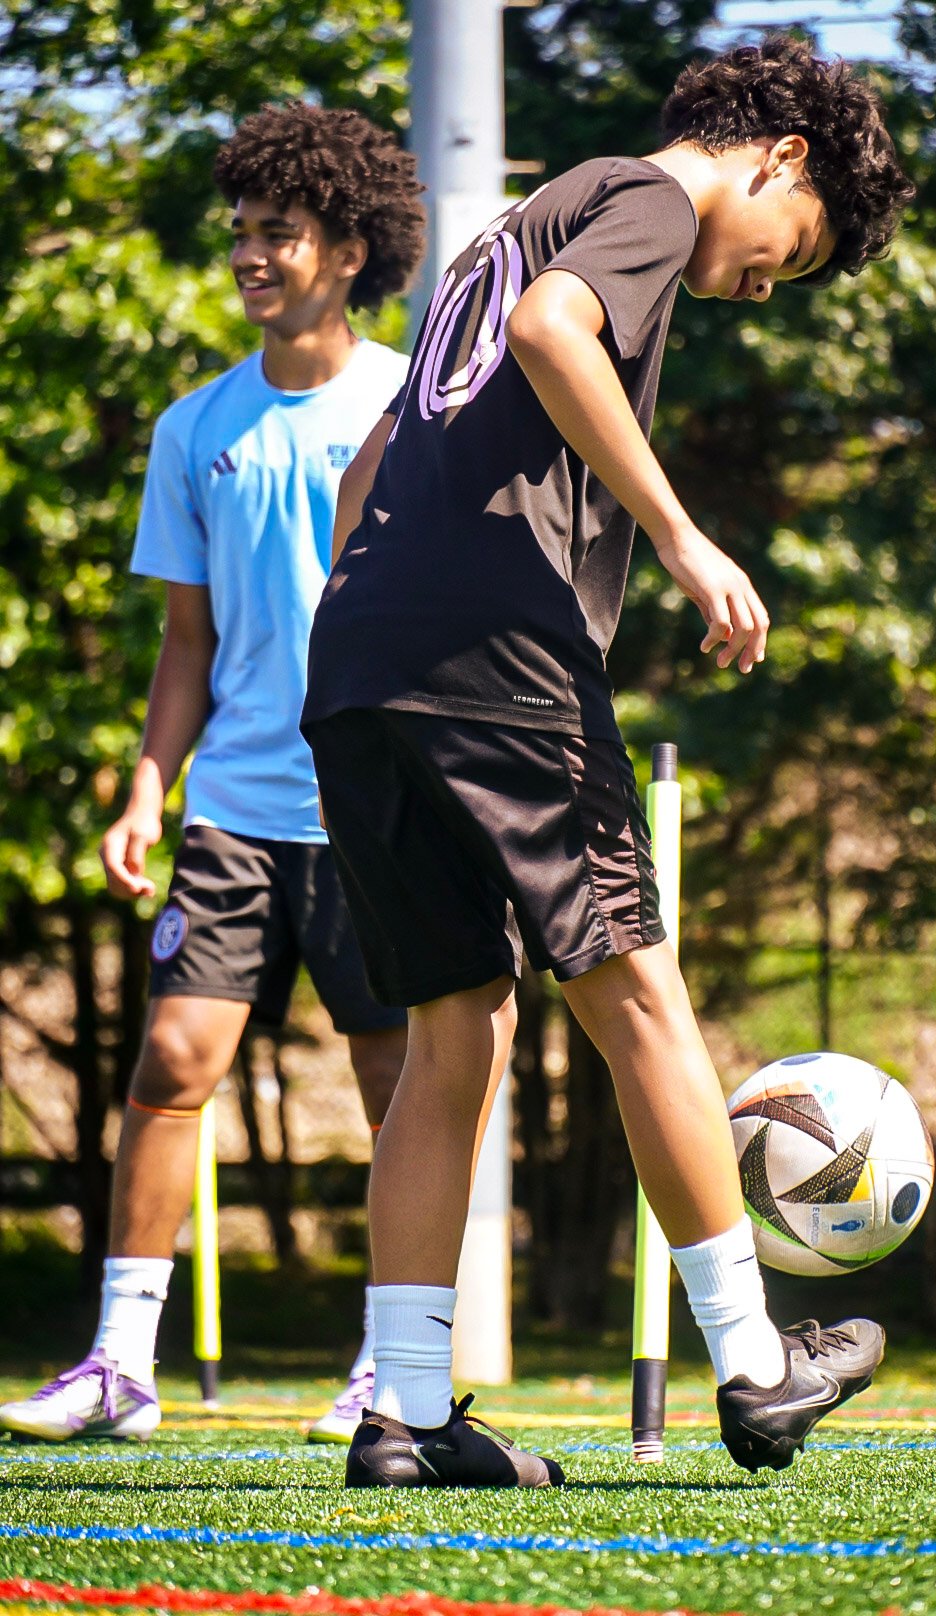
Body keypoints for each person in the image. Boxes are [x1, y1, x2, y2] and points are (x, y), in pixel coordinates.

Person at [301, 36, 916, 1488]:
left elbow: (363, 477)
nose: (768, 283)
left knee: (457, 1038)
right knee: (639, 992)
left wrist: (388, 631)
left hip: (364, 664)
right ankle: (760, 1369)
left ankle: (402, 1415)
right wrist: (686, 540)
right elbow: (557, 339)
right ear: (783, 160)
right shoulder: (639, 193)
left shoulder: (494, 240)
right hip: (500, 671)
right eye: (792, 253)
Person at [0, 101, 426, 1445]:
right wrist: (145, 785)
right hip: (235, 808)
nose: (252, 255)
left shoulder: (413, 402)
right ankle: (122, 1367)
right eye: (241, 233)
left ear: (349, 249)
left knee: (392, 1082)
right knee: (174, 1063)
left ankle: (389, 1366)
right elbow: (188, 639)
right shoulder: (195, 427)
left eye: (278, 234)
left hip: (375, 803)